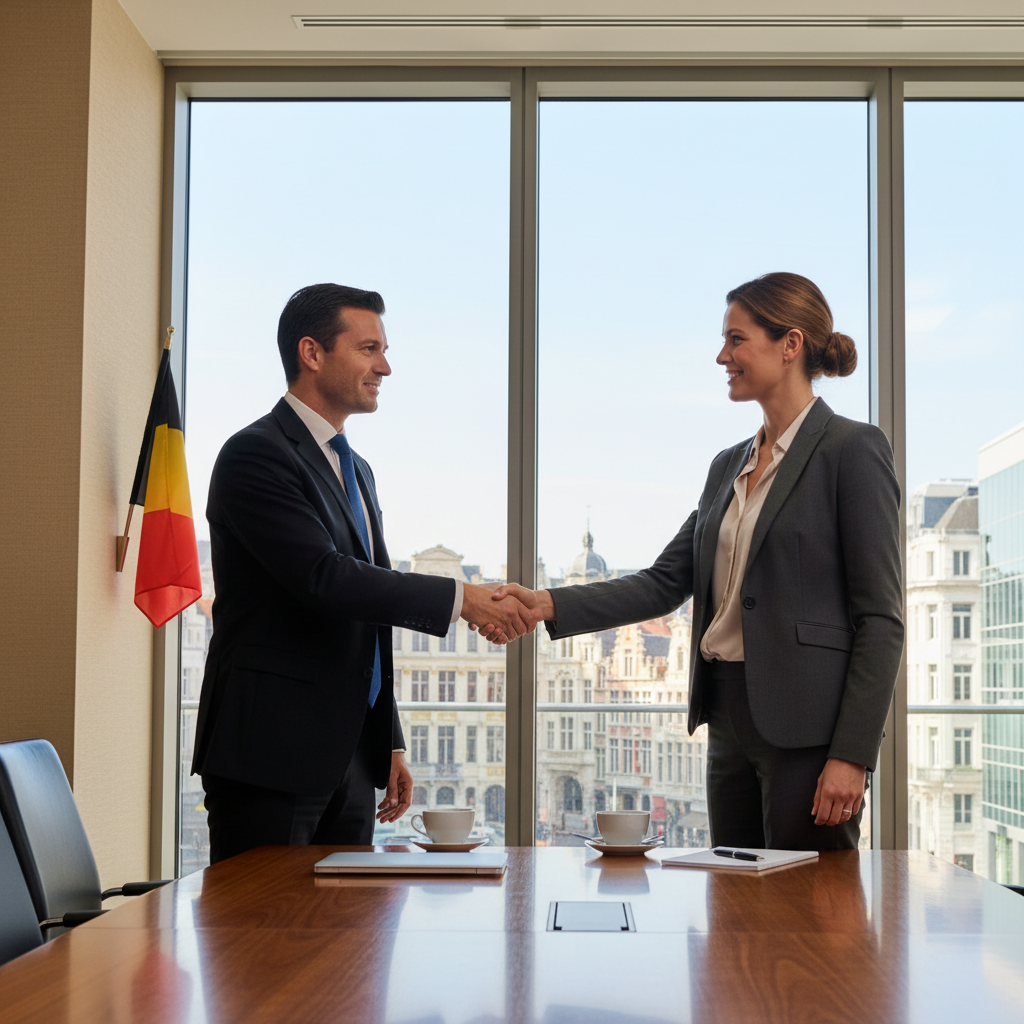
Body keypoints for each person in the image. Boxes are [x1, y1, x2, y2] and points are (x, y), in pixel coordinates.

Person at [492, 272, 903, 850]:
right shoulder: (726, 464)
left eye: (736, 339)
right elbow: (665, 582)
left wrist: (852, 756)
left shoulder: (852, 451)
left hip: (807, 731)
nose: (722, 356)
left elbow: (881, 620)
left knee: (807, 916)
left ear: (790, 344)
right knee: (732, 912)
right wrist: (546, 603)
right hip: (727, 720)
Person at [192, 283, 533, 863]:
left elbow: (366, 618)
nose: (386, 366)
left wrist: (388, 739)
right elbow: (327, 579)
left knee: (346, 941)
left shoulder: (358, 470)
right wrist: (463, 599)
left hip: (350, 759)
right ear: (312, 353)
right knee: (260, 943)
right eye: (369, 348)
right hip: (271, 753)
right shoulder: (255, 455)